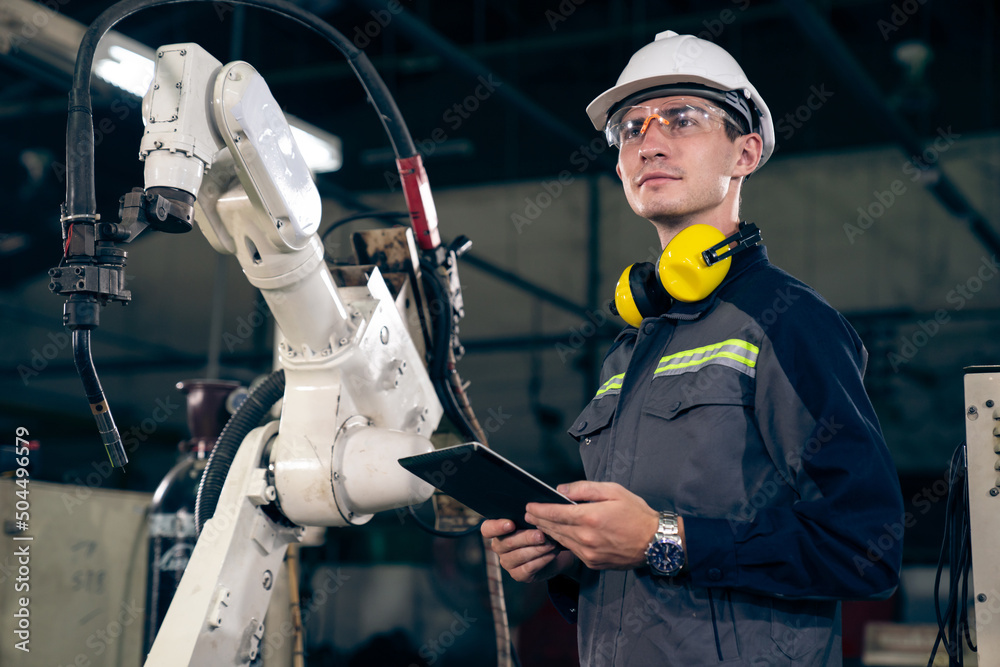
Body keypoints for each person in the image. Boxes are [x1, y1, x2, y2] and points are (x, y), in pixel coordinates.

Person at [482, 30, 904, 666]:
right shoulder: (629, 350)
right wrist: (570, 555)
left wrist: (663, 539)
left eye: (682, 118)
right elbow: (637, 556)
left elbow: (866, 549)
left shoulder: (787, 322)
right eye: (630, 129)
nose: (649, 141)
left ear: (745, 153)